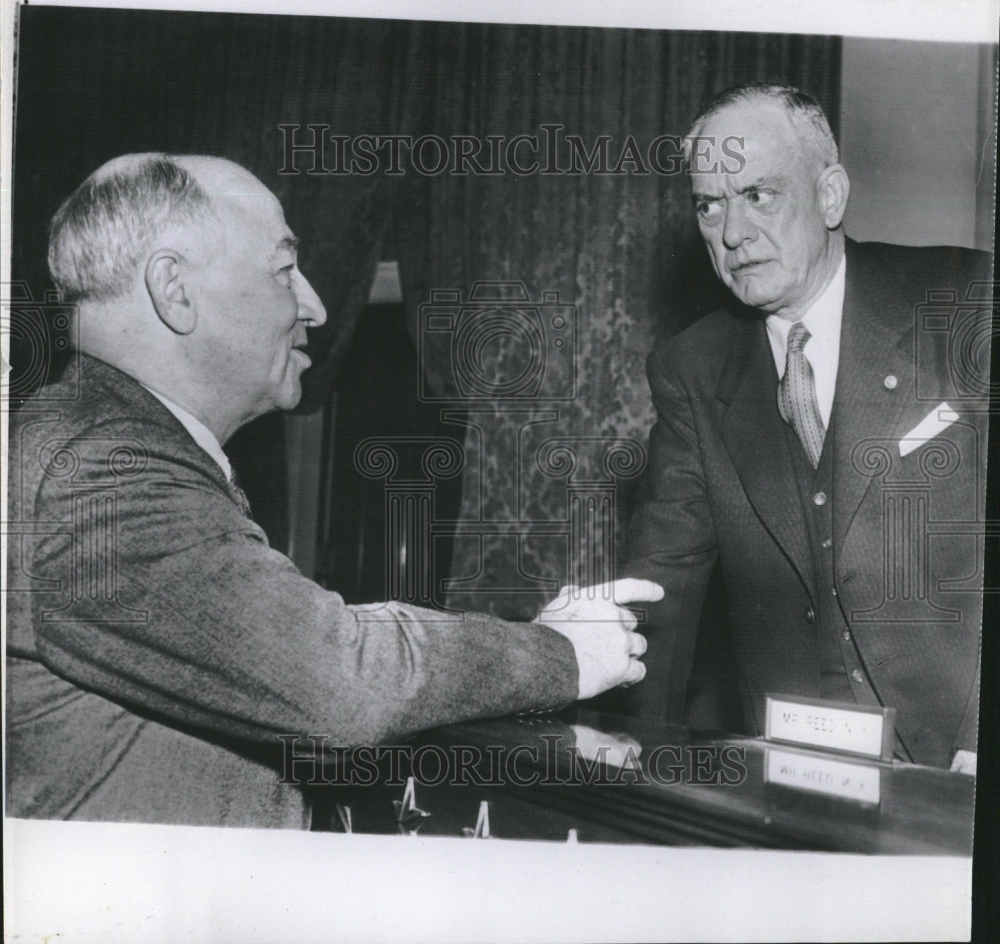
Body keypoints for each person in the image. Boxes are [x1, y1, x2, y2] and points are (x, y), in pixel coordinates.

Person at [6, 153, 658, 827]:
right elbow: (336, 676)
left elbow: (306, 636)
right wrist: (562, 653)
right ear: (175, 290)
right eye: (285, 270)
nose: (313, 305)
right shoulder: (97, 472)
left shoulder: (96, 444)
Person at [625, 83, 991, 771]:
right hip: (796, 774)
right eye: (709, 204)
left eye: (757, 194)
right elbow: (659, 592)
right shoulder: (691, 369)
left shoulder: (967, 303)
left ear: (830, 195)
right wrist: (629, 768)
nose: (731, 233)